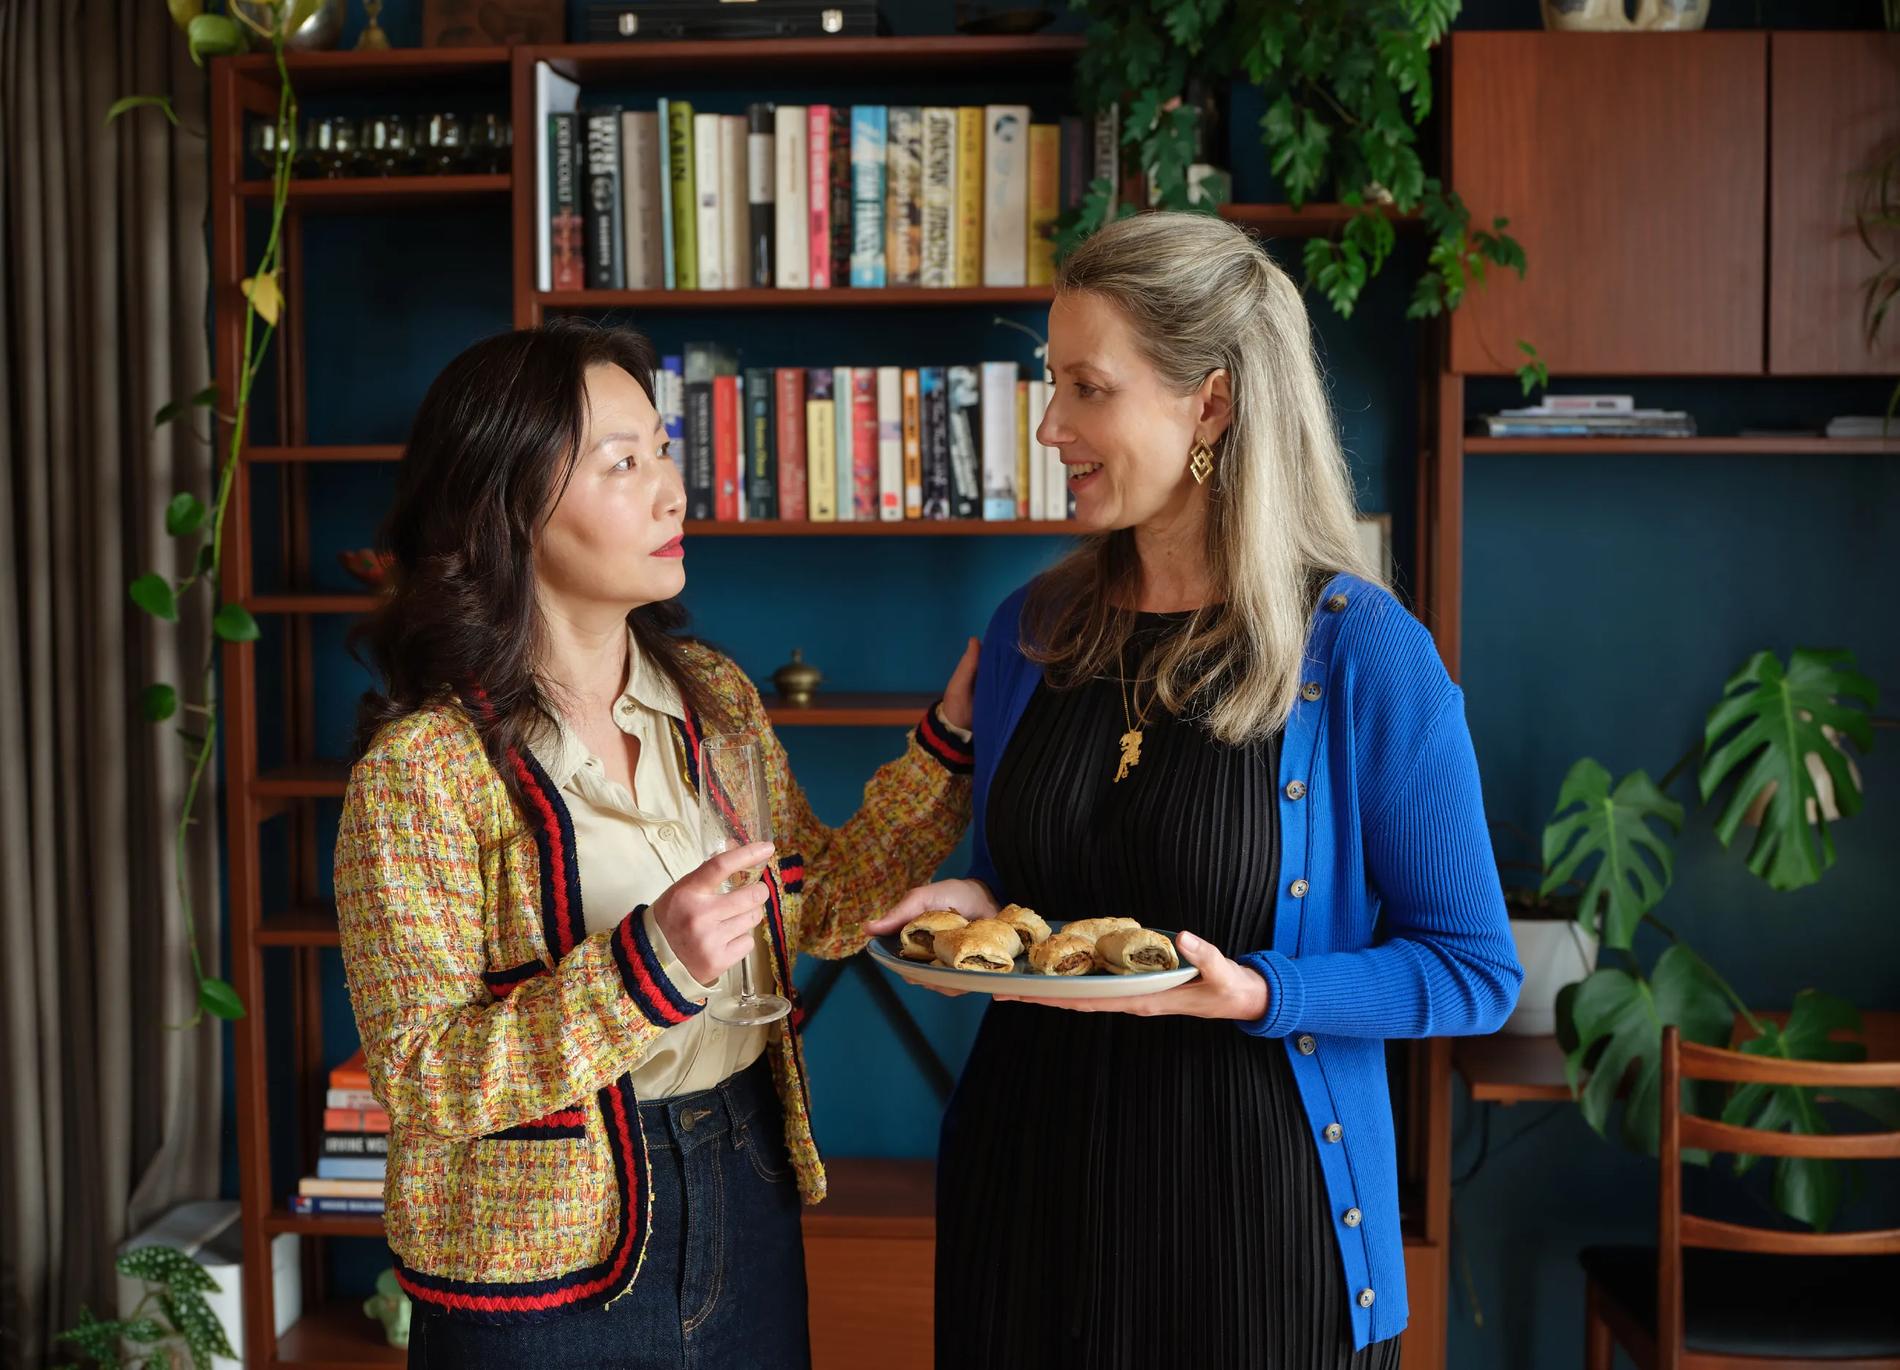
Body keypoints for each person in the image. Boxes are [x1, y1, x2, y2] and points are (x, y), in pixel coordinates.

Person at [869, 212, 1522, 1368]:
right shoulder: (1028, 629)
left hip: (1253, 1227)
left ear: (1210, 404)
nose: (1050, 425)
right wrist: (974, 902)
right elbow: (1025, 889)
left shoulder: (1358, 649)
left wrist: (1263, 990)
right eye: (1052, 382)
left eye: (1087, 388)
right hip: (1024, 1206)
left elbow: (1474, 971)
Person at [335, 319, 979, 1369]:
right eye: (623, 462)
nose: (673, 492)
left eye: (664, 451)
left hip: (747, 1183)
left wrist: (949, 743)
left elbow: (814, 901)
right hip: (535, 1266)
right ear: (509, 505)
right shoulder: (422, 768)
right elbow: (421, 1076)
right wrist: (647, 971)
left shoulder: (713, 697)